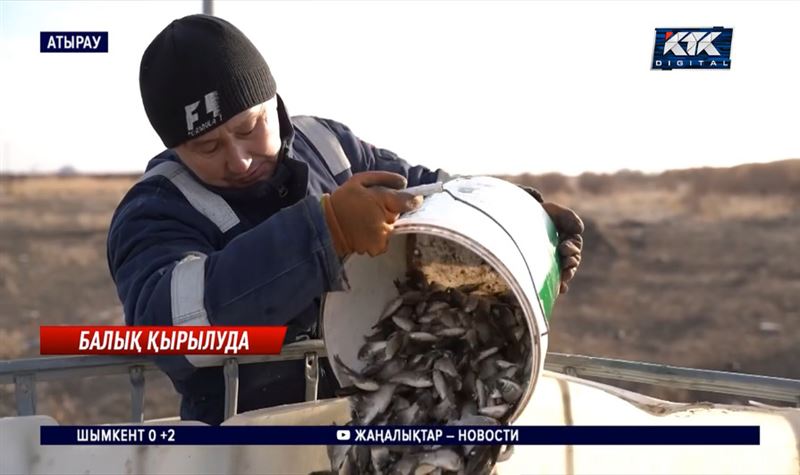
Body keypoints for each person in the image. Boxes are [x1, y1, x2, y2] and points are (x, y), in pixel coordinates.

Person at [106, 14, 584, 426]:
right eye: (207, 147)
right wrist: (324, 232)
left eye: (249, 128)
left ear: (274, 101)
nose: (239, 160)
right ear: (175, 146)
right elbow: (166, 329)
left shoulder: (327, 144)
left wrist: (518, 213)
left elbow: (426, 189)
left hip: (379, 419)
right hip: (247, 448)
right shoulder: (154, 211)